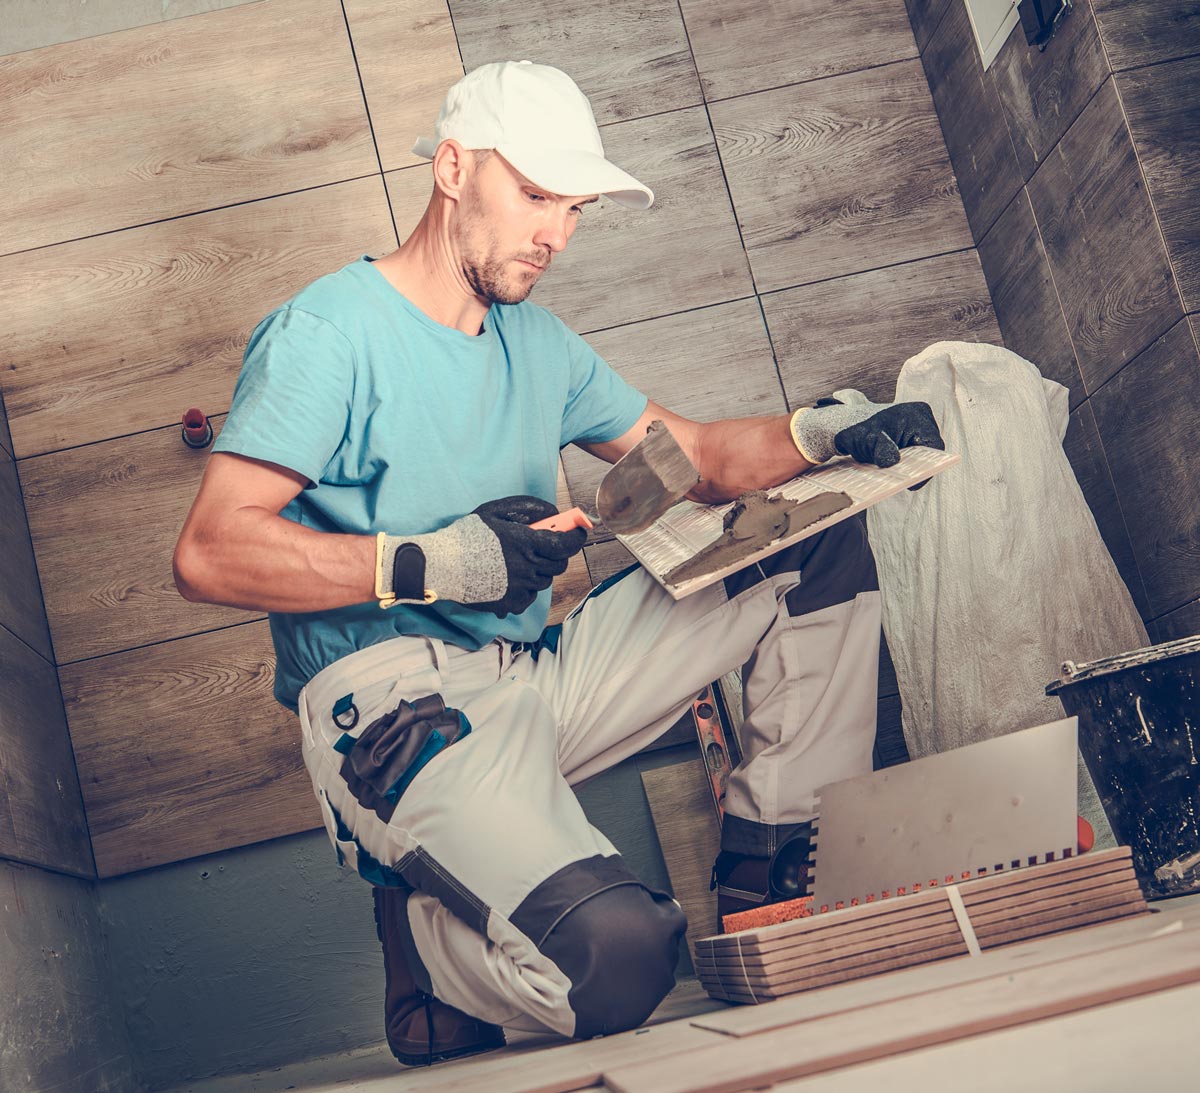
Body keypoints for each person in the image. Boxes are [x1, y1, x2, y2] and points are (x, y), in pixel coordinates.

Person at [173, 60, 943, 1067]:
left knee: (810, 543)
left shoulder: (538, 342)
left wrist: (823, 432)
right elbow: (209, 550)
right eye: (535, 196)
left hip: (536, 676)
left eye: (573, 207)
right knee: (620, 962)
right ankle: (425, 955)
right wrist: (441, 561)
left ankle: (772, 878)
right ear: (454, 168)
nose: (556, 234)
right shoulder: (329, 334)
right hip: (399, 710)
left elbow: (700, 459)